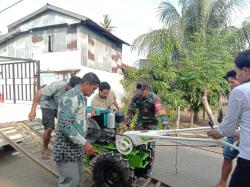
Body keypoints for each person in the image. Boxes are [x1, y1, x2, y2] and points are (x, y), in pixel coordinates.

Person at [208, 49, 250, 187]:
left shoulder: (241, 91)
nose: (236, 75)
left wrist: (220, 132)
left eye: (237, 71)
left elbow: (228, 127)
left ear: (245, 71)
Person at [53, 72, 100, 187]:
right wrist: (84, 143)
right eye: (93, 89)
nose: (93, 92)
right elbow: (65, 125)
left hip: (76, 146)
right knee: (70, 182)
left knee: (78, 181)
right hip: (66, 148)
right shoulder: (71, 97)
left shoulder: (81, 97)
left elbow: (76, 119)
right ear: (87, 83)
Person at [28, 76, 81, 160]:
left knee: (68, 125)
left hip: (59, 106)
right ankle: (45, 148)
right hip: (47, 104)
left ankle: (67, 148)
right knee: (49, 128)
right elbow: (39, 93)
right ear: (68, 84)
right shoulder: (57, 85)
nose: (72, 92)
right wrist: (33, 110)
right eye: (71, 90)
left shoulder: (76, 92)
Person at [215, 70, 241, 187]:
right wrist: (223, 130)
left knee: (244, 163)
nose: (230, 85)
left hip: (245, 134)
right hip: (233, 132)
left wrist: (242, 132)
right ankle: (222, 182)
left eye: (233, 82)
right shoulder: (234, 94)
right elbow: (231, 117)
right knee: (227, 156)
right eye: (229, 83)